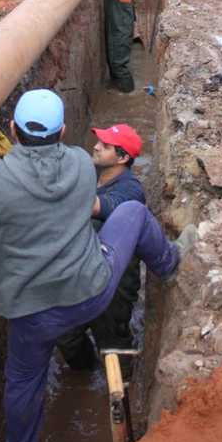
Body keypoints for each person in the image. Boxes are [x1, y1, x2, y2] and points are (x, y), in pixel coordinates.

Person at [0, 89, 197, 442]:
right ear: (61, 134)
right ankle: (169, 263)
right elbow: (46, 187)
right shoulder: (78, 163)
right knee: (133, 212)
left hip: (32, 312)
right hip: (91, 290)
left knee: (24, 381)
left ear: (11, 129)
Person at [57, 123, 145, 369]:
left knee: (113, 347)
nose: (95, 146)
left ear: (123, 158)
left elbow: (100, 206)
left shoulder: (131, 191)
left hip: (113, 284)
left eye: (105, 146)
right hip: (80, 275)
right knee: (65, 336)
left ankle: (122, 391)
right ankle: (84, 370)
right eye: (98, 141)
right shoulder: (95, 176)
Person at [98, 0, 139, 93]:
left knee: (119, 60)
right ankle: (116, 83)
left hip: (122, 26)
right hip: (113, 23)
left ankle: (128, 89)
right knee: (111, 55)